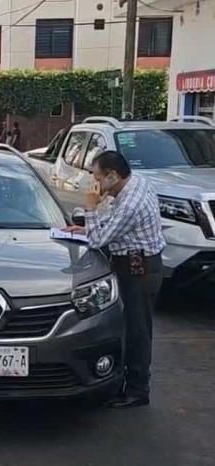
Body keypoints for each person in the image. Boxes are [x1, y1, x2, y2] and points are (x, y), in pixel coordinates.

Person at [65, 151, 165, 408]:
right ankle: (130, 383)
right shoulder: (136, 183)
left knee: (137, 330)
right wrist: (86, 228)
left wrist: (90, 209)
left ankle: (137, 389)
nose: (94, 183)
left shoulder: (130, 203)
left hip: (138, 268)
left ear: (112, 176)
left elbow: (100, 239)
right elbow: (113, 227)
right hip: (138, 263)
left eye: (97, 177)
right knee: (133, 325)